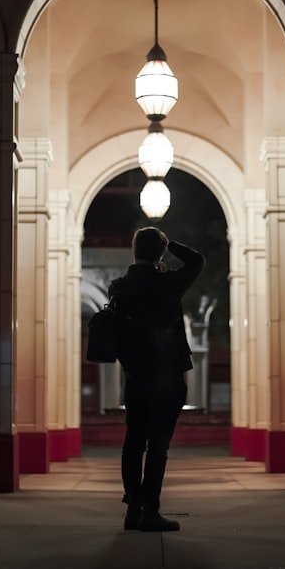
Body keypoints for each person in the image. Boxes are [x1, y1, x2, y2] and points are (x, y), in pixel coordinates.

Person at [108, 226, 204, 532]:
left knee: (133, 443)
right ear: (160, 252)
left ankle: (132, 509)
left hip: (135, 377)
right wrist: (168, 242)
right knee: (157, 447)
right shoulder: (169, 284)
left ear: (134, 250)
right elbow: (197, 260)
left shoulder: (119, 288)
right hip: (167, 377)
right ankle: (151, 509)